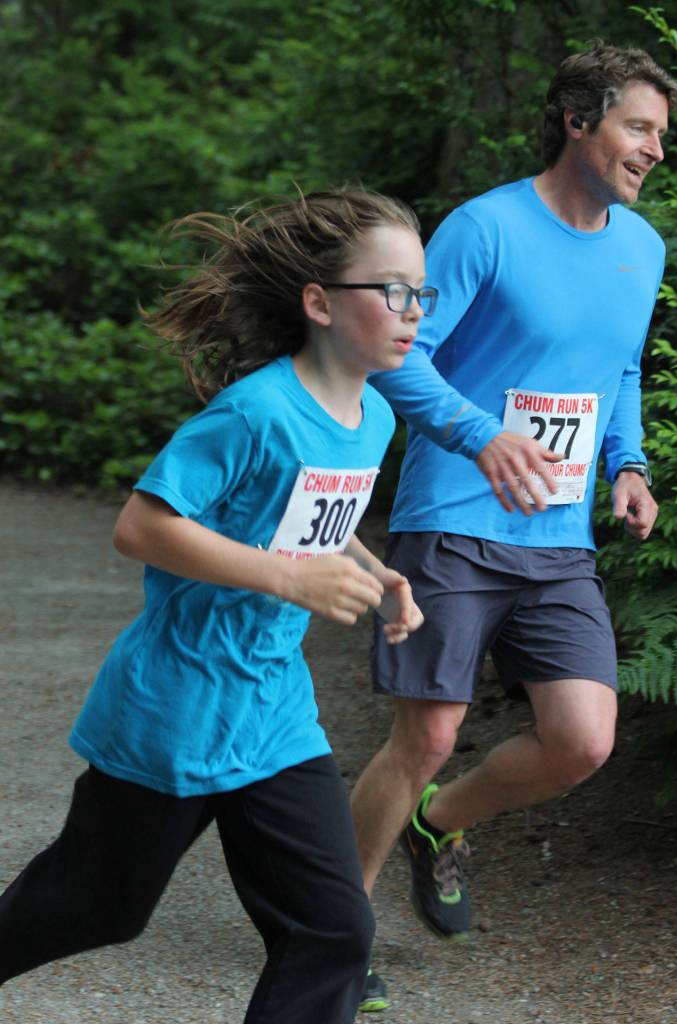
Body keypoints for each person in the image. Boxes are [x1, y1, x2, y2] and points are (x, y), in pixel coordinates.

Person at [0, 188, 428, 1023]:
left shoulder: (372, 416)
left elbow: (307, 514)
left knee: (334, 931)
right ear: (319, 304)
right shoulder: (254, 412)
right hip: (177, 707)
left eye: (420, 292)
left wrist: (375, 574)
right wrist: (287, 579)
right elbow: (142, 526)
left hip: (273, 712)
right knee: (98, 907)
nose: (413, 310)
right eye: (392, 290)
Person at [350, 43, 677, 1007]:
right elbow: (398, 354)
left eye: (661, 134)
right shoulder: (483, 228)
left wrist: (627, 464)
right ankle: (330, 937)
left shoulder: (641, 246)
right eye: (637, 127)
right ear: (577, 121)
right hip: (453, 518)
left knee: (581, 740)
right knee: (426, 734)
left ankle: (437, 823)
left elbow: (619, 369)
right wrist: (479, 434)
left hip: (557, 536)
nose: (655, 150)